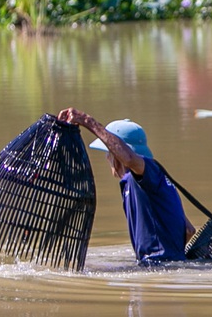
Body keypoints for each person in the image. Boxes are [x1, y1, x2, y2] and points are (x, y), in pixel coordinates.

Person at [59, 109, 195, 263]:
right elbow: (189, 230)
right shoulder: (157, 180)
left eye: (108, 152)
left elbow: (129, 159)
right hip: (164, 264)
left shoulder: (146, 174)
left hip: (156, 267)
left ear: (116, 153)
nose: (107, 158)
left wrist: (87, 121)